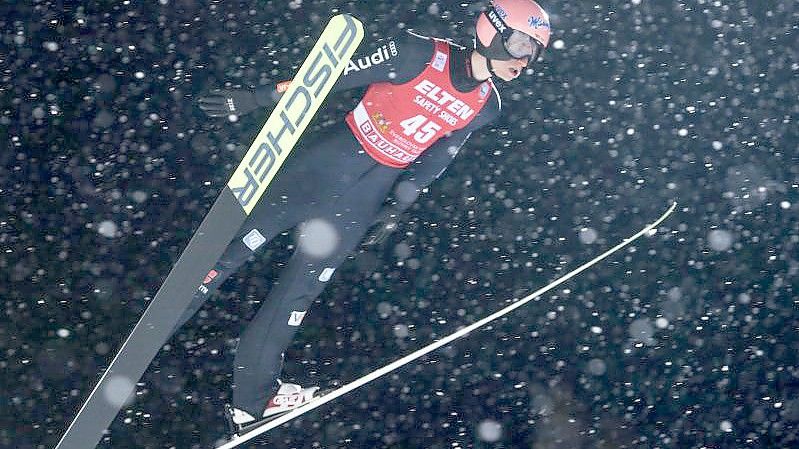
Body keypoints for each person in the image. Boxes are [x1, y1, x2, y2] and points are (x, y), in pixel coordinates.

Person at [177, 0, 552, 432]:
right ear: (492, 30)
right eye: (521, 44)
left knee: (297, 296)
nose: (524, 60)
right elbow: (330, 77)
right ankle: (158, 320)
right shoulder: (418, 53)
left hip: (362, 200)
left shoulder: (486, 106)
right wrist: (256, 98)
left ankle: (253, 401)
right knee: (228, 255)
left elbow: (439, 156)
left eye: (534, 52)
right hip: (324, 167)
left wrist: (397, 207)